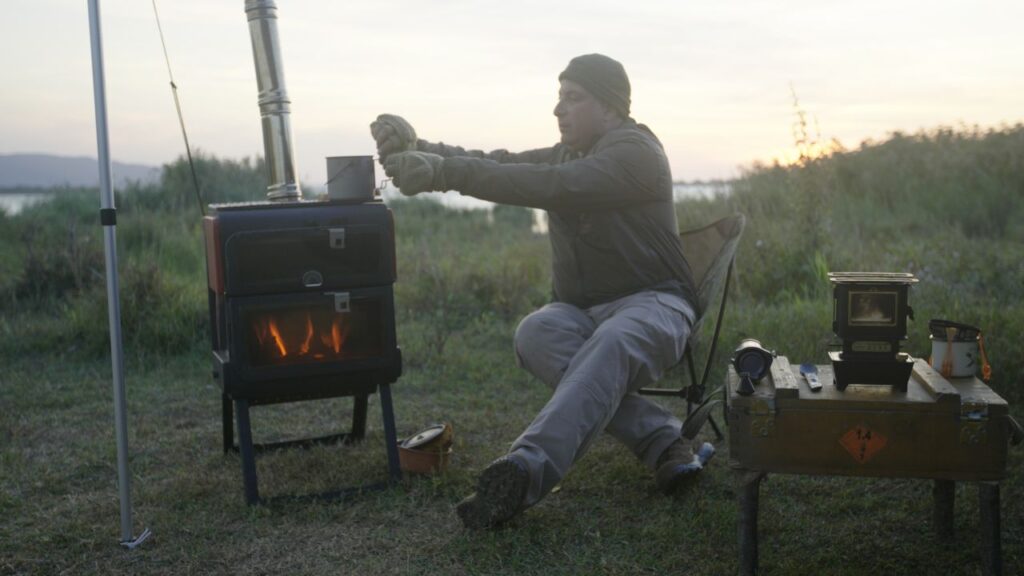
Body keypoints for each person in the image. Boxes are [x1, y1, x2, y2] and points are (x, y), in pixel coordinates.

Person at [369, 53, 714, 529]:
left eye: (573, 99)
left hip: (656, 304)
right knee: (535, 331)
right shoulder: (568, 153)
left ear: (612, 108)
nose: (558, 110)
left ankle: (525, 469)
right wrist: (419, 146)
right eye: (559, 98)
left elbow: (553, 185)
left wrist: (445, 173)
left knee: (613, 341)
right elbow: (498, 163)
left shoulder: (635, 153)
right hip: (585, 313)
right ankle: (663, 440)